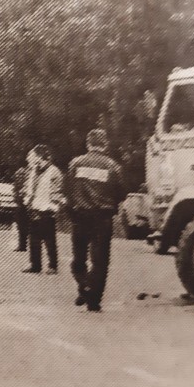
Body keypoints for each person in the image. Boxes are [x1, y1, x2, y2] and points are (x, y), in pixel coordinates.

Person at [66, 129, 125, 312]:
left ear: (88, 144)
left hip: (80, 217)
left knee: (78, 260)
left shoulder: (76, 163)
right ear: (105, 144)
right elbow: (122, 191)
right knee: (100, 261)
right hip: (103, 219)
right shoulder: (113, 166)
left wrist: (72, 211)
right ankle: (94, 300)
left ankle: (84, 284)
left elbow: (66, 189)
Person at [22, 144, 65, 275]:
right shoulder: (34, 170)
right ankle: (35, 265)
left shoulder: (54, 171)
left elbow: (57, 191)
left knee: (49, 239)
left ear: (40, 156)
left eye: (33, 155)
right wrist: (27, 200)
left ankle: (52, 265)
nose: (31, 158)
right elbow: (29, 187)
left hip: (47, 209)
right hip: (35, 207)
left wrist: (53, 207)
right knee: (33, 238)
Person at [13, 154, 32, 252]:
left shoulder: (18, 172)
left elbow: (15, 188)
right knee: (27, 223)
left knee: (21, 224)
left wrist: (16, 200)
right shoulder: (32, 172)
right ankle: (26, 245)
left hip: (21, 201)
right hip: (29, 202)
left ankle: (22, 245)